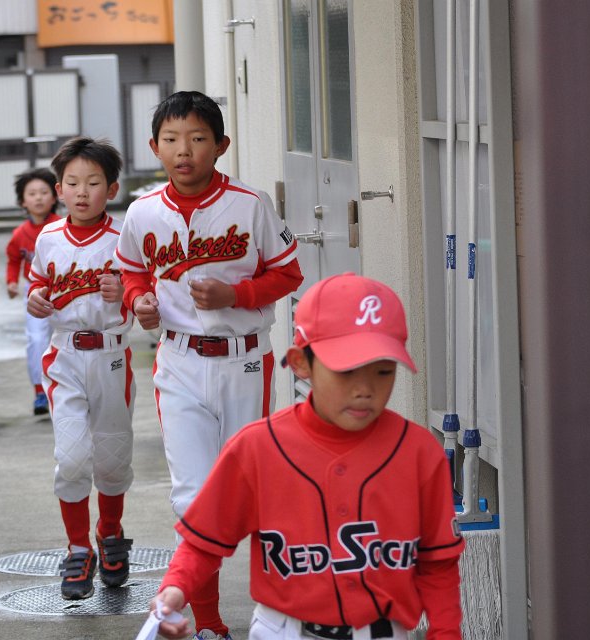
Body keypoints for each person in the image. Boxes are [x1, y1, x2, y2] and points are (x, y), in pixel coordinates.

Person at [152, 273, 465, 640]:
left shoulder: (419, 453)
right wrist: (175, 590)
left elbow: (438, 565)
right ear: (301, 363)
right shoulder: (258, 448)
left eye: (383, 370)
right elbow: (204, 541)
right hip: (284, 630)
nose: (365, 389)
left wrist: (446, 633)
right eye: (346, 371)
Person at [114, 90, 303, 639]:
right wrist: (138, 301)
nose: (184, 150)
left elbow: (288, 274)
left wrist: (236, 295)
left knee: (254, 493)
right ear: (154, 147)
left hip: (244, 362)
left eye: (197, 138)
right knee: (192, 496)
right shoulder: (143, 211)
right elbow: (131, 271)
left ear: (220, 145)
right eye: (171, 139)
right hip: (178, 361)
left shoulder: (249, 204)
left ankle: (281, 612)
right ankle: (209, 624)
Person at [26, 136, 135, 601]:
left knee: (111, 458)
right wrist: (35, 299)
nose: (82, 192)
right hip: (65, 356)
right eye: (72, 183)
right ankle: (78, 547)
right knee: (71, 459)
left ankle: (109, 532)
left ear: (111, 188)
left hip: (111, 355)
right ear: (59, 189)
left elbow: (147, 293)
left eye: (93, 182)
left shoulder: (125, 237)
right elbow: (38, 286)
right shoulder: (48, 237)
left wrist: (125, 295)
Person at [7, 167, 61, 415]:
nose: (38, 198)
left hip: (64, 288)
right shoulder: (19, 234)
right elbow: (13, 260)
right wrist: (11, 282)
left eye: (43, 192)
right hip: (35, 292)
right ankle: (40, 391)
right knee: (37, 339)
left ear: (55, 196)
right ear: (23, 201)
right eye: (32, 193)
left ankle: (65, 387)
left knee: (64, 338)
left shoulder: (62, 227)